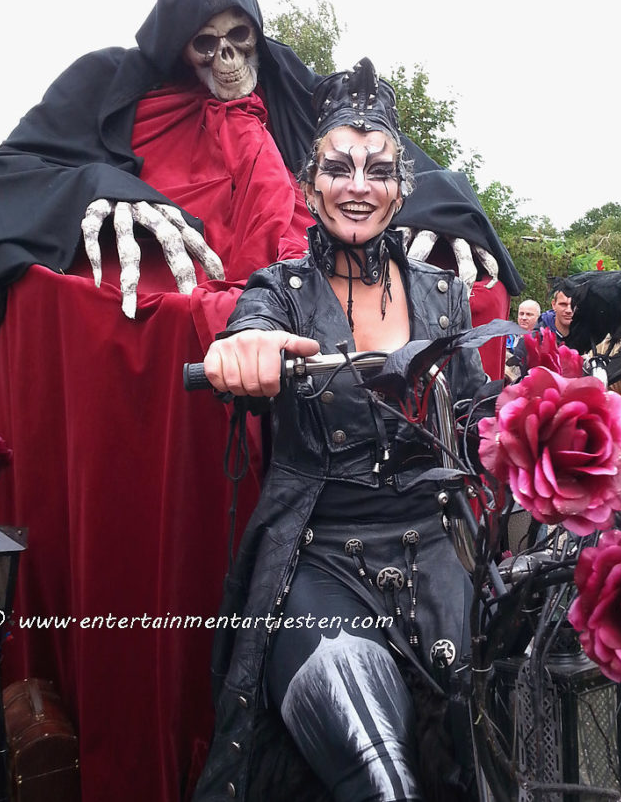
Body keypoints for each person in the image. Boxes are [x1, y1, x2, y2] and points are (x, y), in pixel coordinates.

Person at [195, 58, 490, 800]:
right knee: (381, 775)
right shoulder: (280, 292)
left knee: (482, 747)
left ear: (401, 186)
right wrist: (244, 348)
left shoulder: (446, 296)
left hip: (439, 564)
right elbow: (248, 327)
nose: (358, 184)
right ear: (309, 182)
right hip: (319, 561)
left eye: (379, 168)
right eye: (338, 166)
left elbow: (488, 424)